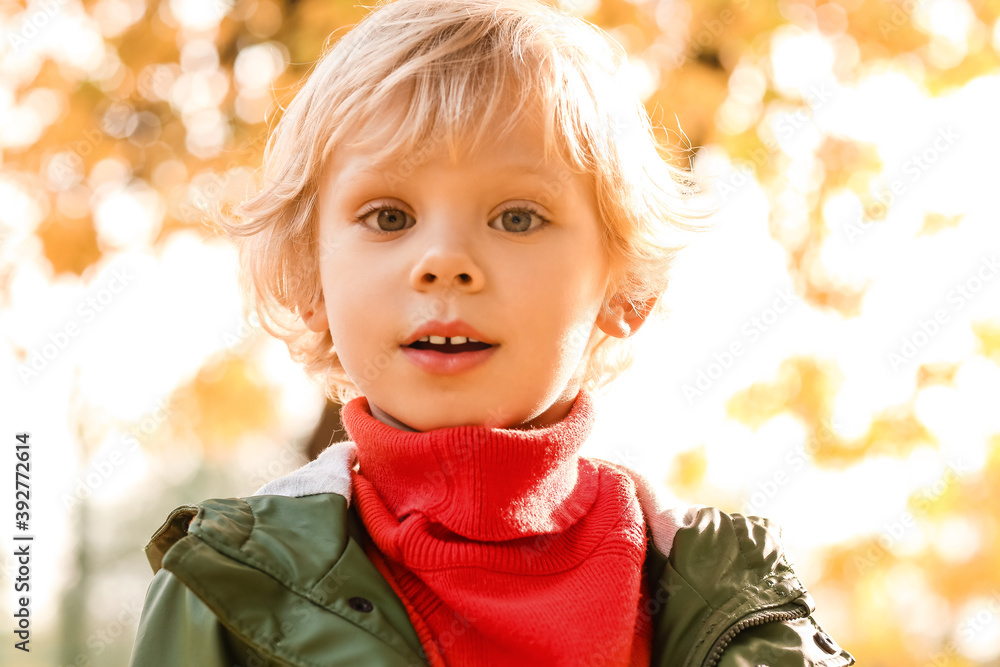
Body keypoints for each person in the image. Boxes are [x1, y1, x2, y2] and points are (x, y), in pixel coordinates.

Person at [129, 0, 856, 665]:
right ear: (310, 274)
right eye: (389, 216)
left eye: (517, 217)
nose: (445, 263)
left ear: (624, 287)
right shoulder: (226, 591)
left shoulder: (740, 605)